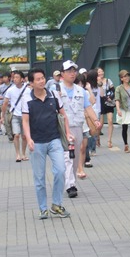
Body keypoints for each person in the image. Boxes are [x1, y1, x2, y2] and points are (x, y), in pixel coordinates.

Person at [22, 68, 73, 220]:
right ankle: (43, 208)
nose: (41, 81)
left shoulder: (54, 95)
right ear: (31, 83)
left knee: (60, 170)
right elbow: (25, 121)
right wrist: (29, 138)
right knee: (39, 178)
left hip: (54, 139)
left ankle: (56, 204)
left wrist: (68, 132)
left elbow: (63, 116)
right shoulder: (27, 99)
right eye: (37, 79)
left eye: (43, 78)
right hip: (37, 142)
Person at [56, 60, 100, 197]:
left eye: (74, 71)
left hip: (77, 126)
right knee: (67, 156)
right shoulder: (55, 90)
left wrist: (96, 120)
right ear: (62, 74)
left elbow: (88, 107)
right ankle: (70, 185)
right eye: (69, 71)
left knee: (74, 158)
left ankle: (71, 181)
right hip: (62, 128)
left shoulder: (81, 91)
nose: (72, 73)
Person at [1, 70, 29, 162]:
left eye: (17, 77)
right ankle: (17, 154)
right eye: (14, 78)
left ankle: (24, 154)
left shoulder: (28, 89)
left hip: (25, 116)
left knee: (24, 136)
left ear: (22, 79)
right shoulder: (10, 90)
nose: (15, 79)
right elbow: (5, 103)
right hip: (15, 115)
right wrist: (2, 116)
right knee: (16, 135)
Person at [97, 67, 115, 148]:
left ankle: (109, 140)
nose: (101, 73)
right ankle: (97, 138)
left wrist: (110, 97)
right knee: (100, 124)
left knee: (110, 120)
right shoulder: (95, 82)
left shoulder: (108, 80)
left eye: (102, 71)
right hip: (99, 102)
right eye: (99, 72)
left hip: (108, 101)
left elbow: (113, 90)